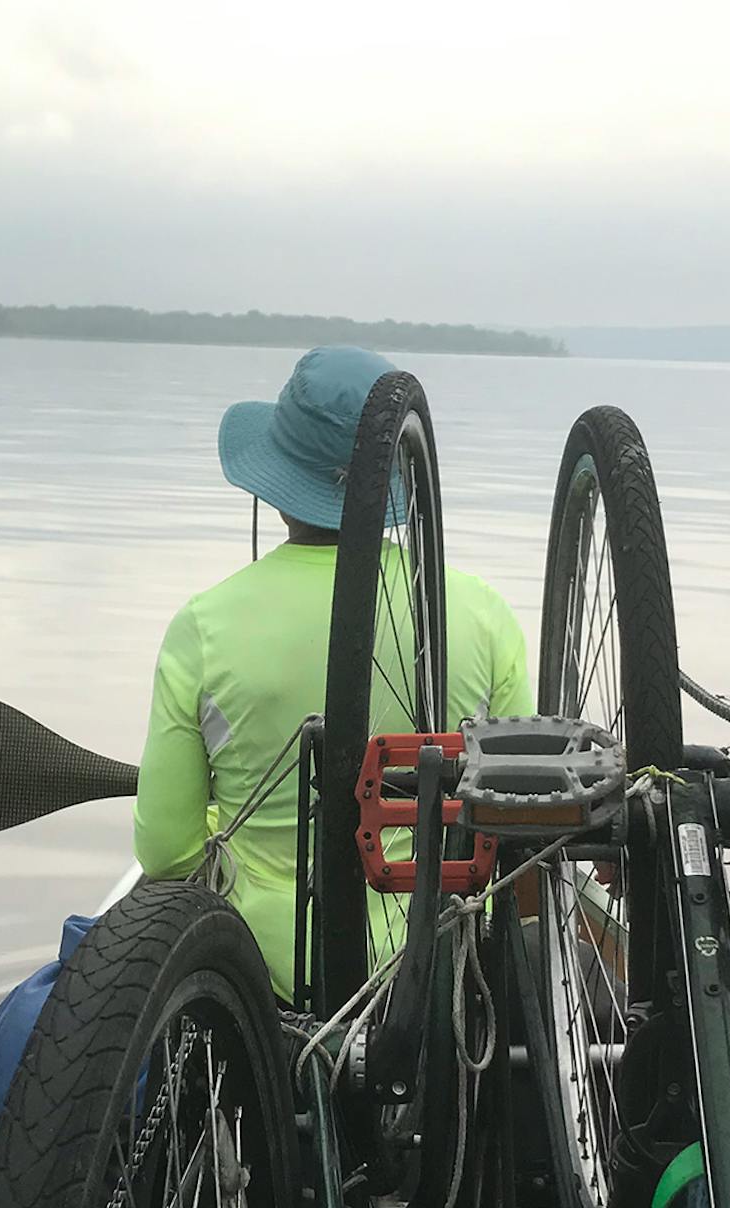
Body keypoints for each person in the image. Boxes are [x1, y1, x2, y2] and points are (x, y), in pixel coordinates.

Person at [133, 345, 533, 999]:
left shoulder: (202, 628)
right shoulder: (484, 614)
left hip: (268, 981)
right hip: (442, 974)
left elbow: (166, 855)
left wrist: (214, 823)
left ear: (277, 485)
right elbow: (519, 825)